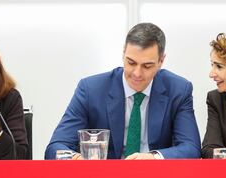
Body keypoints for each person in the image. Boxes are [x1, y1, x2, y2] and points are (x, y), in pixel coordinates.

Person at [45, 23, 201, 159]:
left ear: (161, 61)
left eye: (147, 66)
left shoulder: (178, 90)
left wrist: (154, 158)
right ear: (123, 53)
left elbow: (191, 148)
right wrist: (79, 160)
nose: (137, 73)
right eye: (131, 62)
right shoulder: (91, 89)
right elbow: (55, 147)